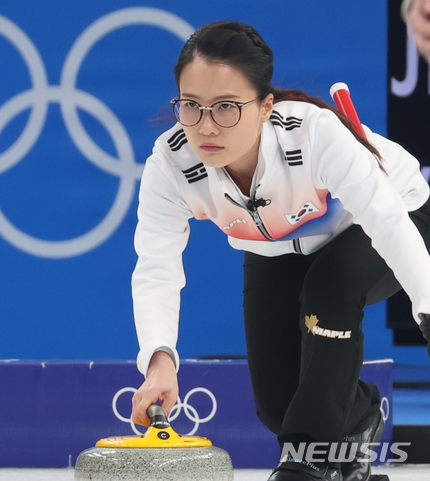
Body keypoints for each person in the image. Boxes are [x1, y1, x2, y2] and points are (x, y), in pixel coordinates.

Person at [129, 20, 430, 481]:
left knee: (331, 289)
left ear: (266, 106)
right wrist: (159, 363)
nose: (206, 126)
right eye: (191, 106)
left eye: (227, 107)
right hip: (277, 248)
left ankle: (305, 466)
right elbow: (156, 267)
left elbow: (386, 219)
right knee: (279, 407)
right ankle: (359, 416)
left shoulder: (314, 135)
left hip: (398, 216)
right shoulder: (170, 165)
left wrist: (428, 307)